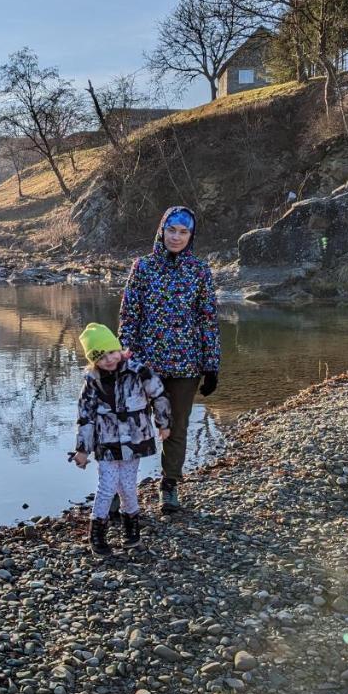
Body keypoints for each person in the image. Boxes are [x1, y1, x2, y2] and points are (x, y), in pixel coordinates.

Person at [118, 206, 221, 515]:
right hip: (144, 366)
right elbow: (128, 318)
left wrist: (211, 364)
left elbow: (208, 321)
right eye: (172, 230)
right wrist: (123, 359)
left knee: (176, 427)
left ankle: (169, 486)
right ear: (162, 231)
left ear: (191, 236)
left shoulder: (200, 271)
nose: (176, 237)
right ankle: (120, 489)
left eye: (183, 232)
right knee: (132, 426)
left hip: (186, 367)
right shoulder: (142, 268)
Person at [70, 323, 172, 556]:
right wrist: (82, 449)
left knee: (128, 486)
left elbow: (159, 394)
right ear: (93, 360)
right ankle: (97, 535)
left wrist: (164, 424)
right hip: (106, 443)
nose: (108, 359)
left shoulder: (138, 371)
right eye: (101, 356)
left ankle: (132, 533)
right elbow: (85, 417)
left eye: (112, 352)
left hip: (135, 439)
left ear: (120, 349)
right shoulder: (92, 382)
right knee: (106, 487)